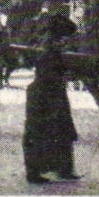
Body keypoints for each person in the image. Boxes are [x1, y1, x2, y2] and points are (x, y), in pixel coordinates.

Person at [23, 13, 81, 184]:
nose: (65, 41)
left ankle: (63, 169)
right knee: (40, 132)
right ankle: (34, 173)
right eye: (64, 37)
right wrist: (66, 73)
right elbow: (48, 70)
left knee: (62, 131)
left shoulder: (49, 42)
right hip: (44, 94)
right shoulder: (49, 46)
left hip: (52, 92)